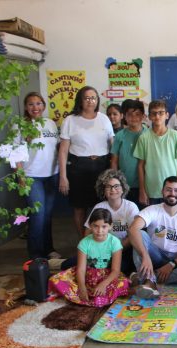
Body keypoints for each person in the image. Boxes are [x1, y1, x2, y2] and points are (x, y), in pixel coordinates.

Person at [128, 176, 177, 299]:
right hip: (155, 255)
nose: (172, 193)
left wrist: (172, 264)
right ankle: (149, 279)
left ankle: (148, 279)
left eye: (176, 190)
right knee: (139, 234)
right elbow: (133, 229)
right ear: (162, 192)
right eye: (168, 190)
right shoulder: (152, 210)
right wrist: (146, 256)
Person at [59, 86, 114, 237]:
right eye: (87, 98)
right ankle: (83, 241)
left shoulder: (104, 119)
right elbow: (63, 151)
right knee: (79, 207)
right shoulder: (70, 120)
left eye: (94, 98)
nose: (91, 101)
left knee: (102, 206)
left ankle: (102, 239)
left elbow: (113, 144)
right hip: (78, 168)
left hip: (102, 167)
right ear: (80, 100)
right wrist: (63, 177)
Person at [48, 208, 129, 307]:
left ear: (110, 226)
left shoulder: (115, 242)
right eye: (96, 226)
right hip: (87, 275)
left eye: (104, 226)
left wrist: (103, 284)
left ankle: (96, 297)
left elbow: (115, 270)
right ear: (90, 226)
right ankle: (90, 296)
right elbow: (81, 269)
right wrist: (82, 288)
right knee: (56, 280)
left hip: (106, 277)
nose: (99, 231)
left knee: (123, 283)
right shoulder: (84, 243)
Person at [15, 92, 61, 260]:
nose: (35, 107)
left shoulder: (50, 124)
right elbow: (15, 153)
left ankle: (49, 249)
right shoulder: (20, 125)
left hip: (52, 174)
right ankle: (36, 255)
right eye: (31, 104)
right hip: (31, 177)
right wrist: (20, 177)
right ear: (26, 107)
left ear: (43, 105)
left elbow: (57, 148)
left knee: (47, 216)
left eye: (38, 103)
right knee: (38, 215)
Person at [84, 169, 139, 275]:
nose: (113, 190)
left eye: (116, 186)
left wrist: (115, 250)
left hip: (124, 249)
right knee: (68, 264)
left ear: (123, 189)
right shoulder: (99, 207)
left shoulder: (131, 207)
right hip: (101, 250)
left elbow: (134, 235)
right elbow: (87, 232)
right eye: (108, 187)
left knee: (122, 267)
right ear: (103, 190)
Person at [133, 100, 177, 206]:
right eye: (154, 113)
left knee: (171, 220)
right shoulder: (143, 138)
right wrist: (142, 190)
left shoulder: (175, 136)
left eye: (161, 113)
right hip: (151, 191)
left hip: (172, 191)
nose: (157, 116)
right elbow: (140, 166)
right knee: (153, 222)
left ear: (167, 115)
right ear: (149, 116)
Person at [110, 99, 145, 206]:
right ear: (124, 116)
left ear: (143, 116)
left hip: (144, 184)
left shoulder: (148, 135)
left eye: (137, 114)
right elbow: (114, 161)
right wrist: (116, 183)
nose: (133, 118)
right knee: (125, 216)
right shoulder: (120, 135)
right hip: (124, 184)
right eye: (129, 115)